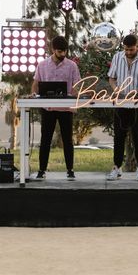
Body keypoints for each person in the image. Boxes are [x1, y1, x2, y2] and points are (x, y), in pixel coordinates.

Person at [106, 34, 138, 181]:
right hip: (121, 102)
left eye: (131, 49)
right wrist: (116, 89)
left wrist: (137, 92)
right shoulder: (117, 57)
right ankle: (117, 167)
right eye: (126, 49)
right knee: (119, 137)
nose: (128, 52)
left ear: (137, 46)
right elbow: (112, 78)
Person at [31, 35, 81, 180]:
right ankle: (41, 170)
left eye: (64, 51)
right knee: (45, 139)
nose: (62, 54)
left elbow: (77, 85)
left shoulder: (72, 65)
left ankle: (70, 170)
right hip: (48, 108)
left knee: (67, 140)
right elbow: (36, 83)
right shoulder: (42, 65)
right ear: (53, 50)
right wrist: (34, 95)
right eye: (59, 52)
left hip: (66, 108)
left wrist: (77, 96)